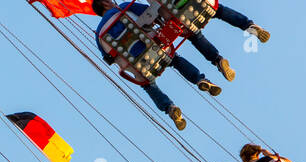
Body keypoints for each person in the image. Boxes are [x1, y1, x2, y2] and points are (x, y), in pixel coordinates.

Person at [91, 0, 220, 131]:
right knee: (174, 60)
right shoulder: (123, 8)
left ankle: (169, 108)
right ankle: (199, 80)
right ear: (105, 3)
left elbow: (109, 59)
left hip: (137, 65)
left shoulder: (99, 35)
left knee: (147, 84)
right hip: (155, 46)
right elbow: (150, 13)